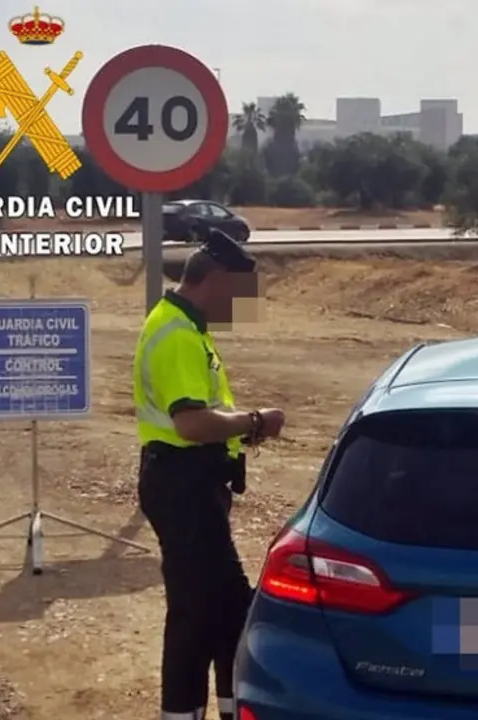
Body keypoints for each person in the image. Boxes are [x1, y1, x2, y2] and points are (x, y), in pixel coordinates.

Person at [133, 228, 284, 720]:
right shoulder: (177, 334)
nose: (241, 305)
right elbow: (192, 422)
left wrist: (241, 433)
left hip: (191, 483)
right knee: (221, 609)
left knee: (206, 610)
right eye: (240, 292)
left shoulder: (186, 325)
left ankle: (213, 709)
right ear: (215, 279)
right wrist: (256, 421)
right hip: (184, 486)